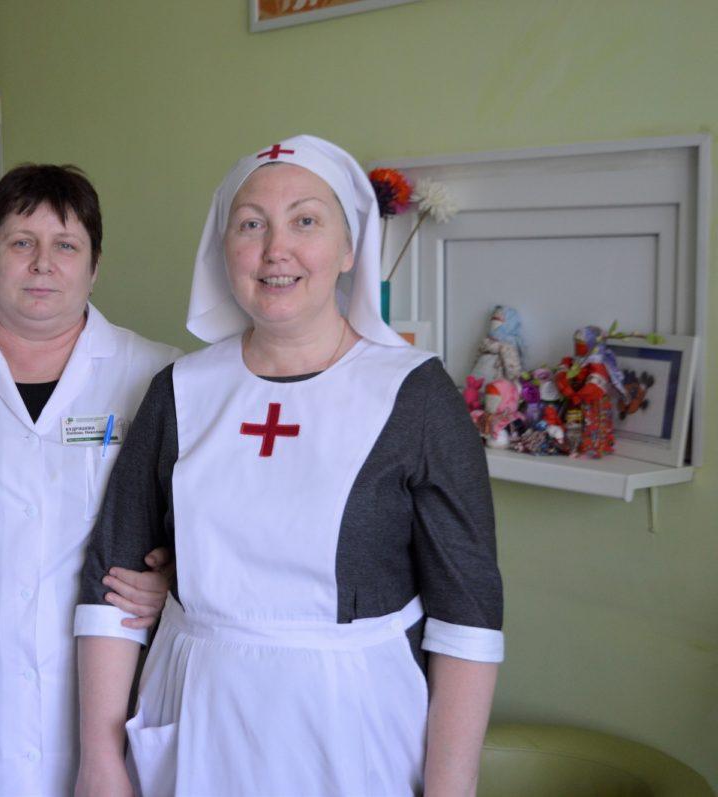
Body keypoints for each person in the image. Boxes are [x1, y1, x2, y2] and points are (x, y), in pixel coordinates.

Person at [75, 136, 504, 796]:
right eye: (251, 225)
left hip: (352, 724)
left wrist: (452, 787)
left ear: (349, 247)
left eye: (305, 221)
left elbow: (467, 614)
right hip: (197, 712)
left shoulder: (414, 395)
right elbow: (113, 584)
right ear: (224, 249)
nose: (276, 249)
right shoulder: (179, 391)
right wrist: (100, 760)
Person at [0, 164, 180, 796]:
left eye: (66, 245)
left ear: (94, 267)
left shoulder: (160, 376)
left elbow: (214, 529)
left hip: (114, 696)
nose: (43, 263)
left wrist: (176, 581)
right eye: (21, 242)